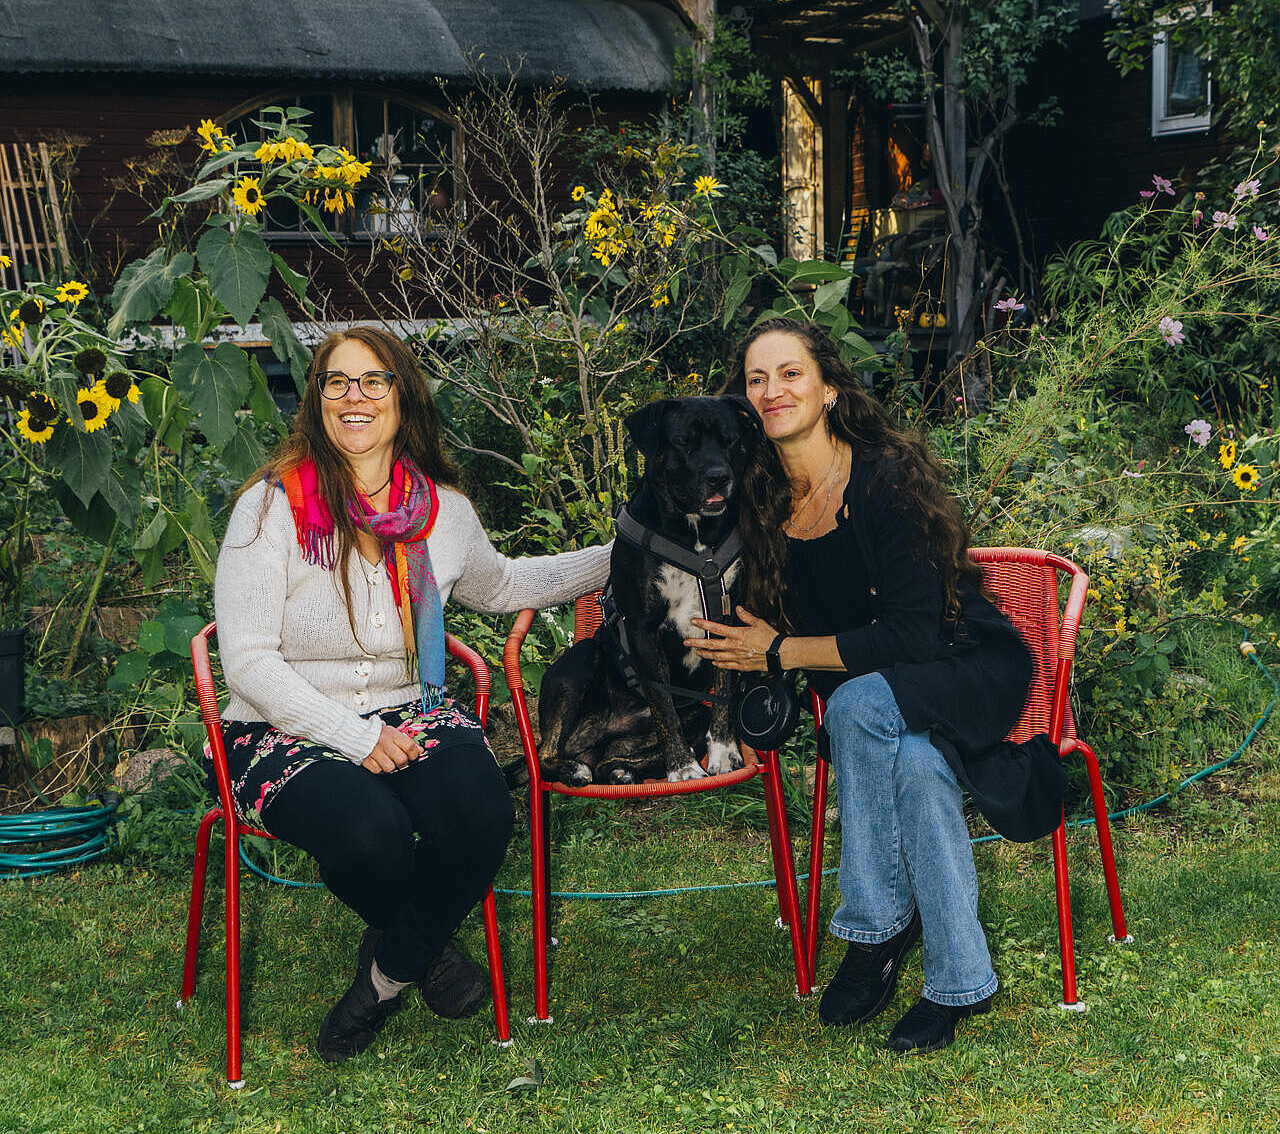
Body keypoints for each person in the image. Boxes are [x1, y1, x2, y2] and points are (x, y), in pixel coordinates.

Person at [211, 326, 611, 1063]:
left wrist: (620, 557)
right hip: (278, 724)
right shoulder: (269, 511)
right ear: (316, 400)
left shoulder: (442, 512)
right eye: (337, 381)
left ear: (405, 398)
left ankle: (385, 976)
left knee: (481, 809)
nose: (353, 397)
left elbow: (506, 584)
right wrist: (358, 739)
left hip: (410, 707)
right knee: (369, 831)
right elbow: (247, 664)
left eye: (373, 381)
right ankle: (432, 953)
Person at [686, 318, 1063, 1054]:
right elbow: (686, 555)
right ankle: (959, 985)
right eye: (756, 379)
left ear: (827, 388)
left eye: (790, 373)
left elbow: (915, 635)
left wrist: (783, 651)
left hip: (963, 668)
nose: (772, 390)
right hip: (884, 709)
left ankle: (873, 930)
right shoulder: (755, 497)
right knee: (917, 769)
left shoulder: (884, 475)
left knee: (857, 700)